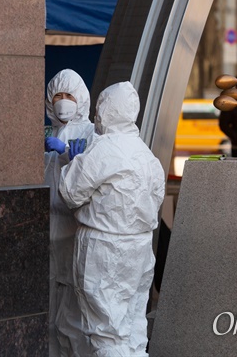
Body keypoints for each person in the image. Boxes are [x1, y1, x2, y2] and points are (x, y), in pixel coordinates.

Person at [59, 81, 165, 357]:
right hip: (140, 249)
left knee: (106, 333)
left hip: (103, 250)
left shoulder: (102, 150)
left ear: (106, 110)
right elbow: (157, 197)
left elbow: (69, 191)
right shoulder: (147, 155)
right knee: (133, 329)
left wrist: (72, 160)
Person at [44, 69, 96, 357]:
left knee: (74, 316)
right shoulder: (46, 131)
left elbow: (91, 176)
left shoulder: (91, 133)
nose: (63, 102)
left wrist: (68, 153)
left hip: (74, 229)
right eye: (58, 96)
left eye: (69, 96)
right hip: (49, 229)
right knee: (51, 312)